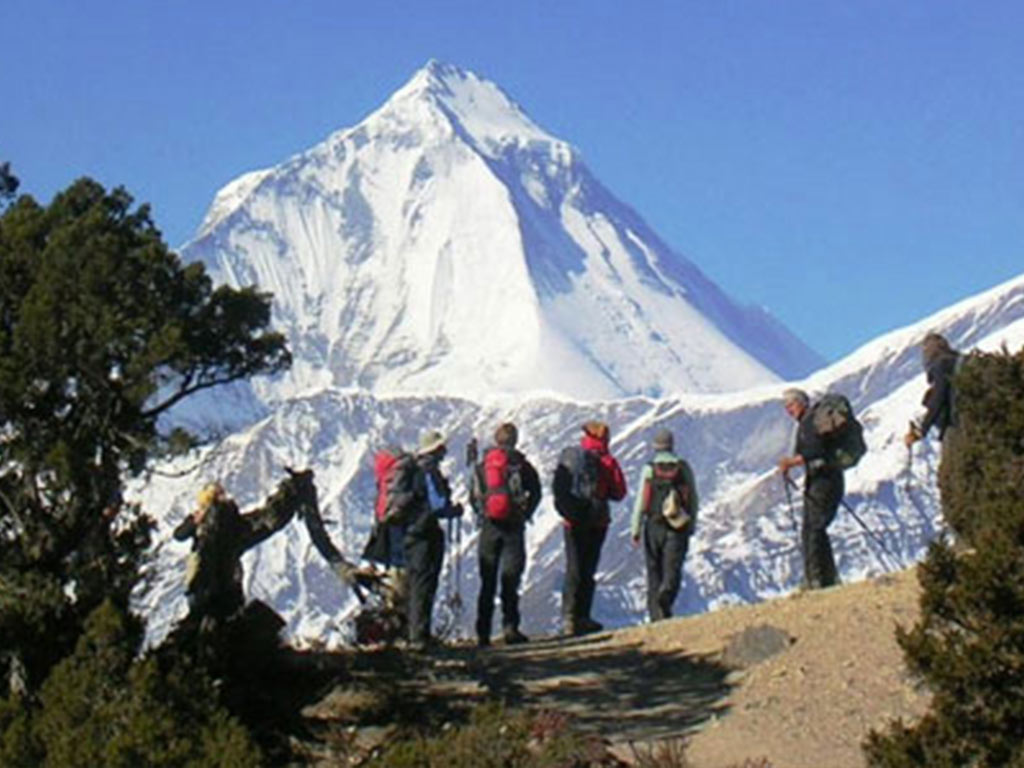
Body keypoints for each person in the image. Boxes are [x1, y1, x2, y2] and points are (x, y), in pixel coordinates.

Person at [173, 476, 302, 628]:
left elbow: (180, 535)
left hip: (206, 587)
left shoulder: (225, 526)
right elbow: (179, 534)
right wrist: (194, 521)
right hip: (214, 586)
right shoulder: (216, 524)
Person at [471, 422, 542, 647]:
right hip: (513, 526)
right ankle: (510, 628)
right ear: (515, 440)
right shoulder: (521, 465)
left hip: (489, 527)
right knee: (510, 578)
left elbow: (474, 496)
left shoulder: (483, 466)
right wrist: (526, 512)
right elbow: (537, 492)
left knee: (487, 581)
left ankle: (482, 632)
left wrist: (483, 513)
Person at [553, 421, 627, 636]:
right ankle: (583, 617)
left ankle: (568, 617)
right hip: (597, 521)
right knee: (588, 569)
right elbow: (619, 492)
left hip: (573, 520)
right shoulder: (607, 461)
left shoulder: (573, 458)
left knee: (573, 568)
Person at [777, 388, 846, 589]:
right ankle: (826, 577)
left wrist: (789, 463)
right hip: (829, 478)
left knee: (812, 529)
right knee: (816, 528)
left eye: (790, 405)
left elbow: (814, 452)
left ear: (800, 403)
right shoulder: (812, 422)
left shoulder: (808, 423)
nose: (788, 410)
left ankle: (817, 580)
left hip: (822, 481)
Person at [630, 429, 698, 621]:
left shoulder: (649, 469)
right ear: (672, 445)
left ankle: (655, 616)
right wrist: (691, 523)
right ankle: (666, 597)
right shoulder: (683, 468)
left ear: (655, 447)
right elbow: (692, 498)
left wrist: (635, 528)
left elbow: (640, 502)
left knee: (654, 572)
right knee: (672, 570)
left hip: (653, 525)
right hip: (677, 526)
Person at [404, 430, 463, 650]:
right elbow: (437, 505)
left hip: (412, 533)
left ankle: (415, 633)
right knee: (424, 583)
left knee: (416, 582)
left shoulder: (415, 470)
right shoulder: (428, 472)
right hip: (425, 533)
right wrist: (454, 510)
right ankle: (419, 636)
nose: (444, 452)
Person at [904, 332, 962, 449]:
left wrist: (922, 429)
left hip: (959, 427)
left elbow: (939, 398)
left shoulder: (940, 365)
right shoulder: (959, 362)